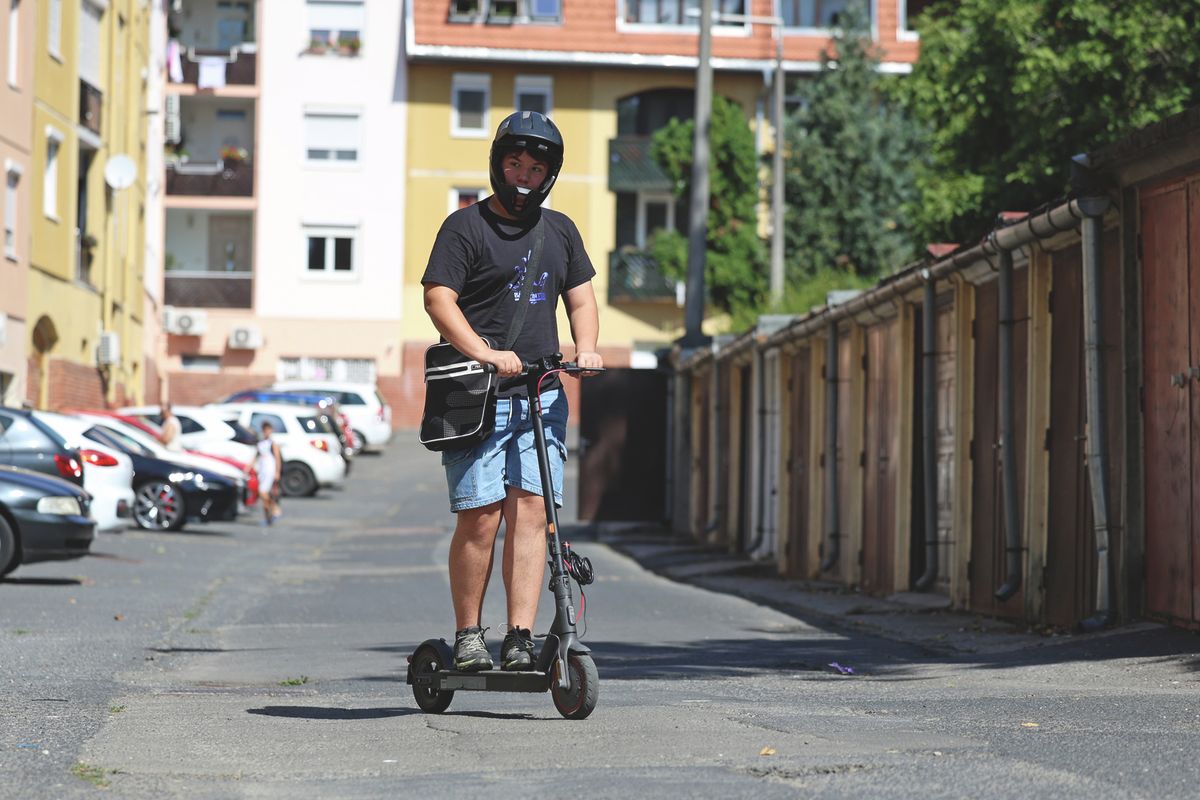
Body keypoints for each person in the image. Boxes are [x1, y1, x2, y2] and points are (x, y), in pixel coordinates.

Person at [421, 110, 603, 672]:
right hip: (477, 394)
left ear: (549, 174)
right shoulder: (464, 228)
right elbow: (438, 299)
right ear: (499, 164)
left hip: (542, 395)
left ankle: (520, 636)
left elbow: (581, 300)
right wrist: (484, 351)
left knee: (532, 516)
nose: (524, 174)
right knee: (481, 517)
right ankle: (469, 635)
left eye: (535, 166)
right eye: (514, 163)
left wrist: (588, 347)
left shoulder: (561, 231)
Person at [251, 421, 283, 526]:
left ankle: (274, 509)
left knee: (263, 492)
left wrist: (277, 472)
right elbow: (256, 456)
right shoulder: (261, 443)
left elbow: (277, 458)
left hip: (270, 470)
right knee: (264, 495)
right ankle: (268, 517)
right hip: (262, 471)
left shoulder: (273, 443)